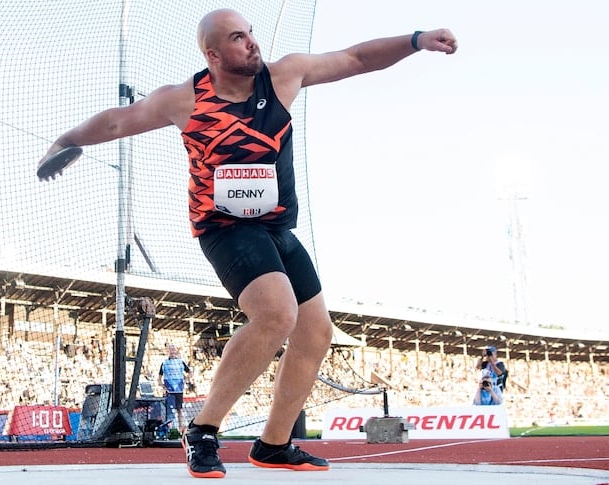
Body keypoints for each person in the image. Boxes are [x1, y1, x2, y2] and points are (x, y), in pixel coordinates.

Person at [39, 8, 457, 478]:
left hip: (276, 227)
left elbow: (357, 57)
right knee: (277, 313)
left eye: (251, 33)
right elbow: (118, 122)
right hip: (223, 227)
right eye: (239, 38)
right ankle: (202, 429)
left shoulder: (283, 77)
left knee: (316, 332)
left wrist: (417, 39)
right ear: (214, 54)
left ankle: (274, 445)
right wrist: (64, 141)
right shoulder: (185, 101)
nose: (252, 43)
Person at [158, 344, 193, 430]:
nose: (172, 351)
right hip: (169, 391)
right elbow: (159, 378)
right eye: (170, 349)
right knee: (168, 411)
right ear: (167, 351)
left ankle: (181, 428)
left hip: (179, 391)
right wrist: (163, 386)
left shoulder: (180, 362)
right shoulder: (164, 363)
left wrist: (185, 380)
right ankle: (169, 429)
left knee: (179, 410)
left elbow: (190, 372)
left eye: (173, 349)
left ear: (176, 351)